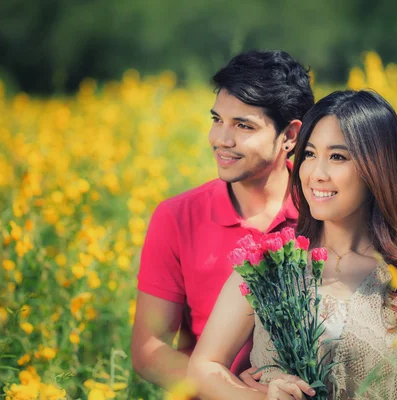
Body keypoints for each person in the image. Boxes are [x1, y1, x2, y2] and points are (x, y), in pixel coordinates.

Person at [188, 90, 397, 399]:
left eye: (337, 157)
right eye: (310, 154)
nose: (316, 174)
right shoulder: (269, 266)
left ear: (378, 169)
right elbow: (202, 368)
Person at [131, 50, 315, 390]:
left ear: (290, 136)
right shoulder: (177, 217)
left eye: (243, 125)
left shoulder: (323, 213)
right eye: (217, 120)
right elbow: (149, 349)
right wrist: (233, 391)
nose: (221, 140)